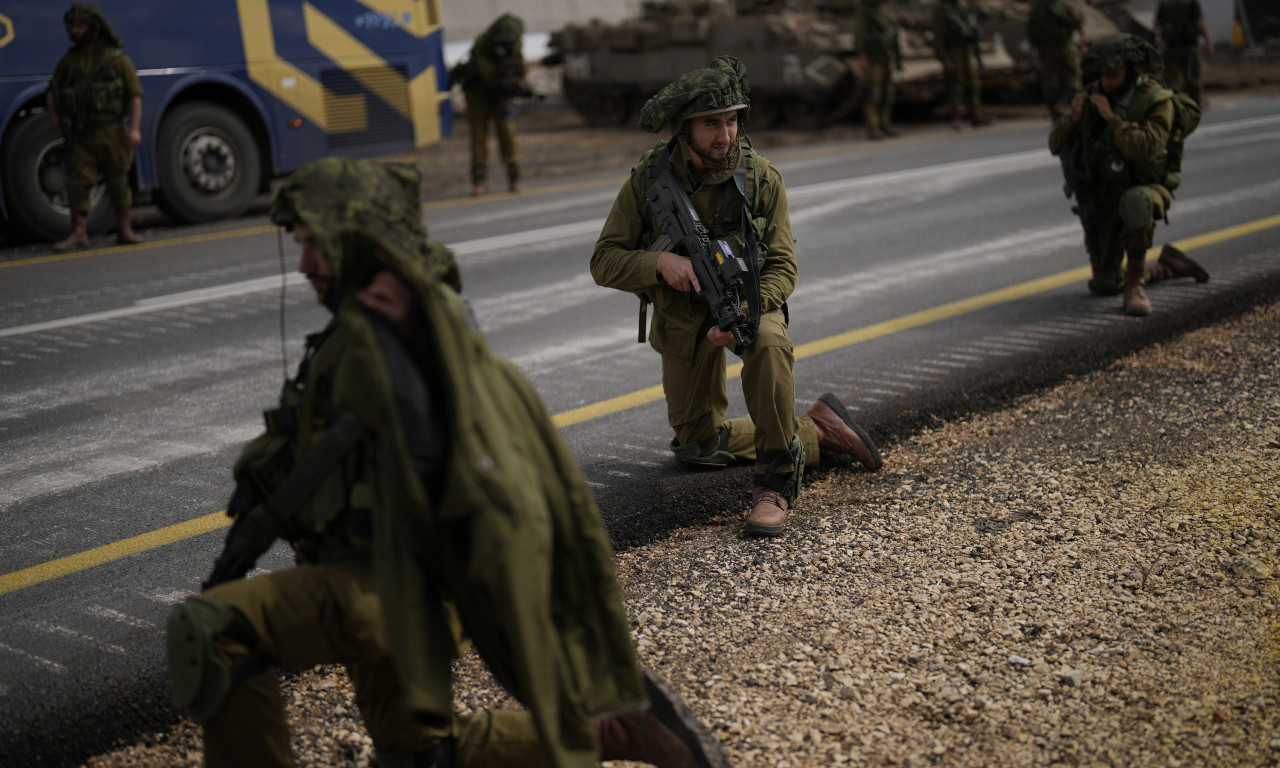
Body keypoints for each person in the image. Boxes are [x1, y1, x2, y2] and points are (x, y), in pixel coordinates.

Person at [165, 157, 729, 768]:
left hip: (400, 586)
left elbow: (477, 480)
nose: (304, 266)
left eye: (315, 247)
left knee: (216, 629)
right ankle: (613, 734)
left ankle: (603, 722)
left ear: (356, 239)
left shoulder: (398, 337)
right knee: (415, 755)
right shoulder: (390, 325)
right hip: (370, 566)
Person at [590, 56, 884, 538]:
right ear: (685, 128)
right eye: (710, 123)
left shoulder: (761, 178)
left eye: (731, 121)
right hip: (683, 318)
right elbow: (603, 260)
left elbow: (784, 266)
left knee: (768, 344)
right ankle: (816, 430)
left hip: (747, 303)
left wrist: (746, 312)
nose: (723, 135)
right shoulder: (648, 181)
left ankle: (774, 483)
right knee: (696, 449)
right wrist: (660, 263)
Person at [1048, 34, 1209, 316]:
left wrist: (1112, 118)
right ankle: (1165, 267)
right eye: (1101, 75)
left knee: (1135, 203)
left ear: (1133, 69)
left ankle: (1135, 285)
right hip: (1104, 197)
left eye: (1113, 74)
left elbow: (1145, 149)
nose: (1106, 82)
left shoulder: (1157, 100)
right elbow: (1054, 145)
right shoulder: (1090, 96)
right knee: (1104, 283)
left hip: (1145, 188)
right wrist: (1070, 120)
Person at [47, 3, 144, 250]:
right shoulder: (70, 61)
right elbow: (53, 91)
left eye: (81, 26)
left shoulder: (116, 60)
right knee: (77, 183)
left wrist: (134, 128)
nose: (76, 31)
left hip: (112, 130)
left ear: (95, 28)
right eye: (74, 26)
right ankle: (78, 233)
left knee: (118, 180)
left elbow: (134, 94)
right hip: (82, 133)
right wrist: (56, 119)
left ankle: (125, 228)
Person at [452, 13, 530, 195]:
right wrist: (503, 82)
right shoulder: (483, 44)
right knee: (479, 136)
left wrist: (517, 84)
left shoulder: (515, 43)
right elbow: (487, 73)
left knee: (507, 133)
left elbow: (519, 67)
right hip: (477, 94)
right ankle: (479, 181)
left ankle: (514, 177)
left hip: (500, 96)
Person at [930, 0, 992, 129]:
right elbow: (938, 38)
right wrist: (945, 59)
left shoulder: (962, 8)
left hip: (965, 50)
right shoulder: (942, 11)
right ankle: (956, 116)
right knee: (956, 84)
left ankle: (975, 113)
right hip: (953, 51)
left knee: (972, 82)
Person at [1026, 0, 1087, 120]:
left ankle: (1054, 108)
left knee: (1050, 79)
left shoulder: (1038, 6)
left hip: (1044, 48)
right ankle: (1066, 105)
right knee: (1074, 74)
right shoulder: (1062, 5)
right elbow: (1078, 21)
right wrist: (1082, 42)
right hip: (1064, 45)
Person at [856, 0, 903, 140]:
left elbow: (892, 33)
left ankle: (885, 123)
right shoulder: (867, 14)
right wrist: (862, 57)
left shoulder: (886, 13)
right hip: (873, 59)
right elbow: (860, 36)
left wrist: (895, 53)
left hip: (886, 58)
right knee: (874, 93)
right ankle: (873, 127)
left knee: (888, 92)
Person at [1155, 0, 1215, 107]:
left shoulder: (1165, 3)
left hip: (1170, 47)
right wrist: (1208, 42)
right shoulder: (1191, 2)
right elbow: (1199, 23)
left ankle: (1173, 105)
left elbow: (1156, 24)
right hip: (1190, 47)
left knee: (1171, 80)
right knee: (1192, 78)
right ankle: (1196, 105)